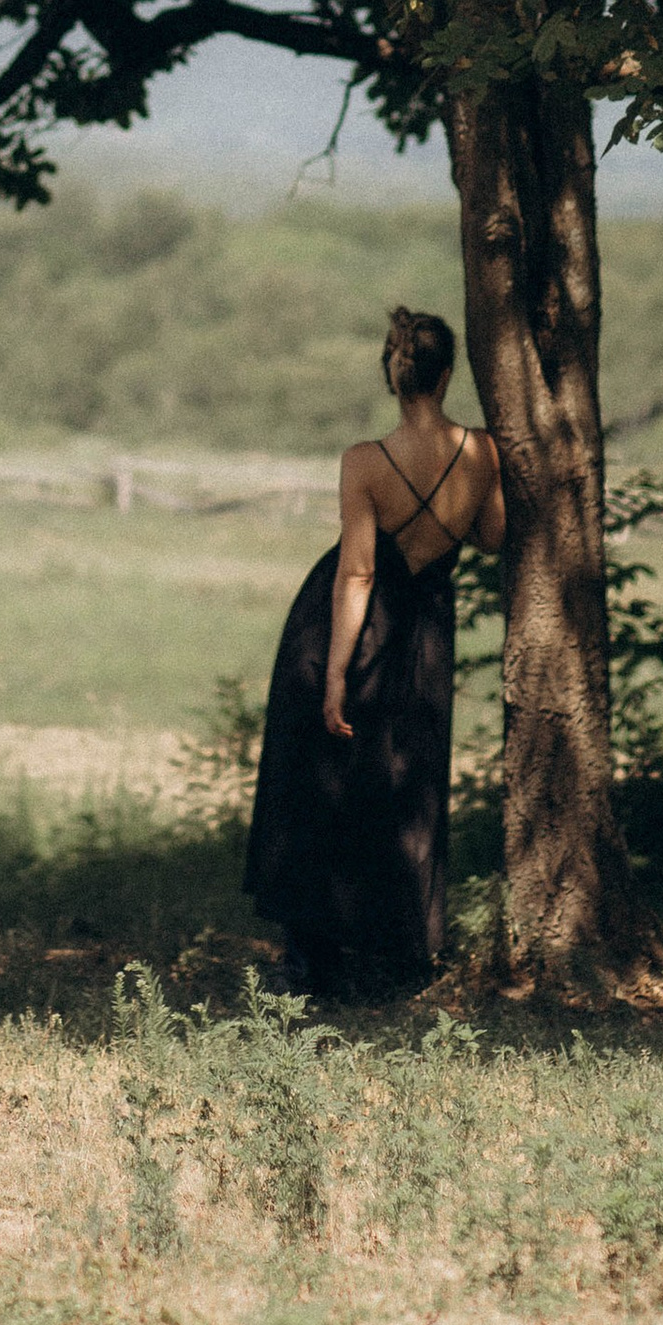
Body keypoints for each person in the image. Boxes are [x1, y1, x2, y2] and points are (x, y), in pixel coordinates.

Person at [242, 305, 504, 999]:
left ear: (394, 377)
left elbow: (357, 574)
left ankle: (309, 965)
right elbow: (494, 536)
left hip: (353, 631)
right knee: (408, 783)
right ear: (447, 374)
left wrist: (333, 676)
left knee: (320, 784)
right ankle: (397, 959)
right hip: (426, 635)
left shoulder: (364, 461)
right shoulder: (482, 452)